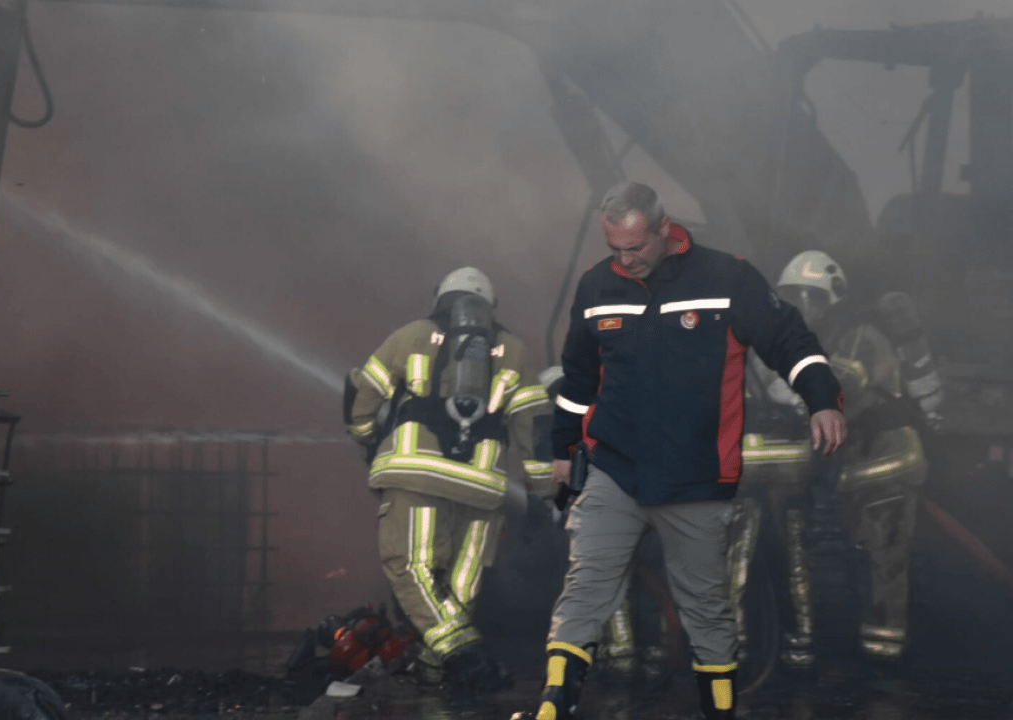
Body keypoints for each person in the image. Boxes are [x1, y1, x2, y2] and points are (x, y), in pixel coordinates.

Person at [522, 182, 847, 720]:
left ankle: (718, 712)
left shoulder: (727, 278)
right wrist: (564, 450)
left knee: (707, 609)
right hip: (613, 470)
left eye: (636, 248)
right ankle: (553, 709)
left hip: (696, 477)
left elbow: (789, 339)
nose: (627, 260)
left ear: (664, 228)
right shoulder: (596, 286)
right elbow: (578, 382)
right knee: (584, 589)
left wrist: (822, 400)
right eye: (615, 250)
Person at [344, 267, 556, 691]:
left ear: (439, 297)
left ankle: (465, 653)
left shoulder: (412, 335)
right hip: (483, 488)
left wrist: (367, 440)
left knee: (412, 567)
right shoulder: (513, 350)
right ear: (490, 307)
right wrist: (542, 493)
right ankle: (435, 674)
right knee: (461, 584)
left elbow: (361, 394)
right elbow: (535, 428)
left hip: (418, 478)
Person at [770, 250, 928, 667]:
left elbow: (843, 386)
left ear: (833, 299)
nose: (803, 308)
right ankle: (872, 656)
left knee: (885, 565)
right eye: (794, 298)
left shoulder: (859, 336)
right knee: (865, 562)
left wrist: (787, 390)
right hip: (859, 471)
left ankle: (885, 666)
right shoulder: (827, 339)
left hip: (887, 467)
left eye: (812, 298)